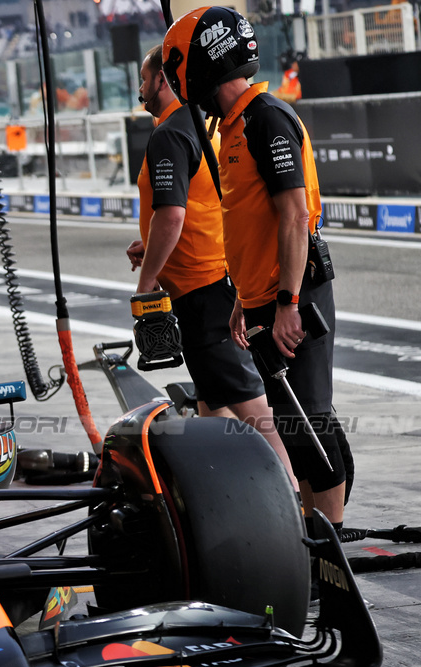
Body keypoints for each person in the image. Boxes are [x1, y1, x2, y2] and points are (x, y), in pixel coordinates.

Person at [162, 6, 348, 532]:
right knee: (292, 427)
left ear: (200, 64)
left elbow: (293, 215)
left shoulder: (266, 118)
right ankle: (314, 537)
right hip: (264, 297)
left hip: (295, 295)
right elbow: (251, 222)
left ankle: (330, 549)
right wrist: (246, 297)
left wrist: (288, 302)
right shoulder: (234, 126)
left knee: (309, 421)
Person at [127, 44, 294, 481]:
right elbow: (203, 204)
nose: (140, 89)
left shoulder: (169, 134)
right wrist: (153, 244)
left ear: (163, 80)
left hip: (203, 291)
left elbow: (172, 214)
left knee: (251, 406)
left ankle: (293, 494)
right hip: (214, 279)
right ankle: (223, 491)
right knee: (212, 405)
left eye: (144, 80)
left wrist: (146, 284)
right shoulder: (207, 128)